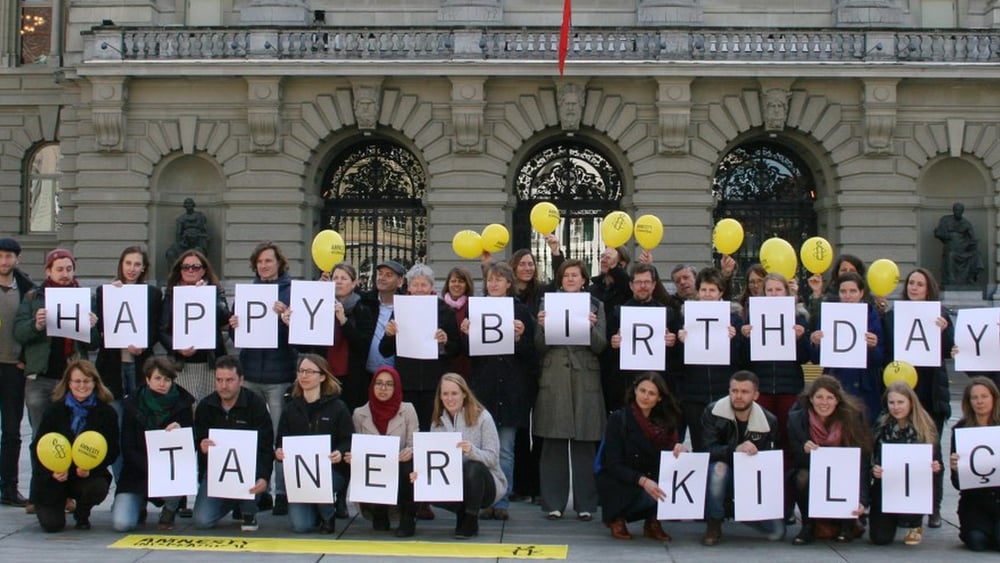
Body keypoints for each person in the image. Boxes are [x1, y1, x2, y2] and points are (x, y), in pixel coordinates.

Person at [462, 261, 535, 520]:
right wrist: (466, 335)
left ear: (508, 283)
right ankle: (483, 498)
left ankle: (501, 502)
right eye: (490, 280)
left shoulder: (521, 310)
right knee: (480, 447)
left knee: (505, 449)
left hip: (511, 391)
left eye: (498, 279)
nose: (493, 284)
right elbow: (466, 353)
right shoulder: (476, 308)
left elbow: (531, 353)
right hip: (483, 389)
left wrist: (520, 337)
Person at [534, 259, 606, 521]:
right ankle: (553, 502)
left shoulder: (596, 305)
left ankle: (586, 503)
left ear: (584, 279)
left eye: (575, 275)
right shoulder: (546, 303)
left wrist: (590, 326)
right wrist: (540, 326)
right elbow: (539, 346)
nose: (571, 279)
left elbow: (601, 346)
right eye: (566, 275)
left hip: (585, 376)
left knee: (585, 443)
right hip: (554, 376)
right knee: (553, 442)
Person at [881, 267, 953, 527]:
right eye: (911, 283)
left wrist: (944, 331)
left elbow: (949, 351)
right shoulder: (893, 316)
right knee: (900, 450)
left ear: (928, 288)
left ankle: (933, 508)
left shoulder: (940, 315)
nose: (914, 287)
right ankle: (902, 505)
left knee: (932, 453)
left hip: (930, 392)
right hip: (901, 391)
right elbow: (885, 349)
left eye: (920, 284)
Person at [235, 241, 296, 515]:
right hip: (250, 373)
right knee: (252, 437)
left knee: (280, 438)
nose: (264, 265)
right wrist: (233, 325)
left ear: (279, 263)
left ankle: (282, 492)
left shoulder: (291, 292)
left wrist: (286, 319)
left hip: (280, 373)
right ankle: (258, 492)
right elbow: (238, 333)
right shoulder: (247, 292)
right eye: (259, 261)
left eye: (268, 261)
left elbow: (301, 335)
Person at [411, 373, 506, 539]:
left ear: (464, 393)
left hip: (486, 483)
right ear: (439, 397)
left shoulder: (483, 417)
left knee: (473, 467)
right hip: (453, 482)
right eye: (445, 394)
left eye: (454, 393)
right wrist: (421, 473)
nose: (449, 398)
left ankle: (471, 518)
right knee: (418, 480)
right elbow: (434, 460)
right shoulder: (437, 422)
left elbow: (493, 458)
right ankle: (462, 513)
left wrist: (472, 451)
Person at [29, 360, 119, 532]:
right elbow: (37, 447)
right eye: (77, 381)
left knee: (97, 486)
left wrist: (91, 469)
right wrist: (52, 472)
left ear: (95, 383)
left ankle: (82, 513)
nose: (82, 386)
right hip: (53, 477)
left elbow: (113, 450)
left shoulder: (107, 412)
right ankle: (56, 502)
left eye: (87, 381)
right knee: (52, 526)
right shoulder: (54, 410)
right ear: (68, 383)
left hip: (83, 476)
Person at [15, 249, 97, 436]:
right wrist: (35, 324)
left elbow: (94, 345)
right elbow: (19, 333)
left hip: (73, 379)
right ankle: (40, 467)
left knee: (74, 432)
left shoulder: (85, 298)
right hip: (41, 378)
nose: (65, 274)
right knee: (41, 434)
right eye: (59, 269)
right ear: (48, 271)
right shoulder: (33, 298)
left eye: (69, 269)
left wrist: (91, 326)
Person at [702, 370, 785, 545]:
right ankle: (714, 523)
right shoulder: (713, 411)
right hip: (721, 472)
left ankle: (739, 510)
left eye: (745, 392)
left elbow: (771, 464)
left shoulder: (769, 421)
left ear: (756, 395)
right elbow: (707, 450)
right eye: (734, 391)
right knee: (718, 470)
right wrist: (735, 449)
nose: (738, 396)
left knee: (778, 533)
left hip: (750, 480)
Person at [111, 356, 195, 531]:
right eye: (157, 378)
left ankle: (170, 509)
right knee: (122, 524)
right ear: (148, 380)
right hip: (136, 472)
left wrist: (182, 431)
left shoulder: (183, 404)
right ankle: (139, 504)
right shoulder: (132, 404)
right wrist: (151, 468)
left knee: (180, 475)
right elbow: (127, 446)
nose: (162, 383)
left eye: (167, 379)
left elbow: (191, 445)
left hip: (169, 473)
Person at [596, 372, 683, 541]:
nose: (645, 396)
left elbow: (668, 458)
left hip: (651, 476)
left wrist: (679, 450)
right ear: (635, 390)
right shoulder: (618, 419)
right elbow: (612, 464)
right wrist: (642, 480)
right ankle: (616, 518)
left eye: (651, 393)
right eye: (642, 390)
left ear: (659, 398)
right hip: (623, 480)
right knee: (642, 490)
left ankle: (653, 520)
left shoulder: (667, 421)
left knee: (669, 482)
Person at [192, 355, 274, 532]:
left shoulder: (256, 405)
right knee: (201, 521)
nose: (223, 385)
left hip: (249, 473)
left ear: (241, 380)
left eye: (229, 380)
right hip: (217, 475)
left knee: (252, 494)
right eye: (219, 380)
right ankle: (233, 501)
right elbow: (198, 439)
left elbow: (266, 446)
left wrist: (264, 477)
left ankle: (249, 505)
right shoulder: (206, 406)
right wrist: (202, 446)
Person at [788, 375, 873, 545]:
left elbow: (862, 462)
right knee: (801, 477)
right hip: (813, 472)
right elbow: (794, 460)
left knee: (846, 474)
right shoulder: (796, 419)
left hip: (844, 475)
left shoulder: (852, 418)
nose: (824, 402)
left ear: (837, 400)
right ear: (811, 399)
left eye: (829, 397)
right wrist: (804, 451)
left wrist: (862, 500)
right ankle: (808, 525)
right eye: (819, 397)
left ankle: (847, 523)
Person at [274, 354, 352, 534]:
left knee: (322, 482)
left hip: (332, 473)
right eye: (301, 371)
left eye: (309, 372)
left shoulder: (338, 407)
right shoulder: (290, 408)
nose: (304, 376)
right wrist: (279, 451)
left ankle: (328, 515)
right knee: (301, 526)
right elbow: (281, 439)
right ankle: (317, 509)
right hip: (300, 475)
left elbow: (348, 439)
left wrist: (340, 452)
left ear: (323, 376)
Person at [379, 263, 461, 430]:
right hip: (407, 382)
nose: (419, 289)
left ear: (431, 286)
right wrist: (389, 335)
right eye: (415, 284)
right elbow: (385, 350)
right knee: (409, 429)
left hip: (435, 383)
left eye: (423, 284)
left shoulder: (444, 310)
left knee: (432, 427)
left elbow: (458, 350)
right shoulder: (401, 309)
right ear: (409, 287)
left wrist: (445, 342)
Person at [676, 267, 743, 451]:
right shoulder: (685, 317)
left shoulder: (734, 318)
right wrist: (681, 341)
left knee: (725, 444)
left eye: (712, 290)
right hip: (694, 393)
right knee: (700, 445)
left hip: (723, 390)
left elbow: (740, 359)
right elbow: (679, 361)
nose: (708, 294)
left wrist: (734, 339)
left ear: (721, 292)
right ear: (698, 291)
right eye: (704, 290)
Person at [348, 366, 419, 536]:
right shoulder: (359, 414)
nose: (383, 388)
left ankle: (407, 517)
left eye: (389, 384)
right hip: (375, 471)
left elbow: (414, 442)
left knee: (409, 465)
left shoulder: (408, 410)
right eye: (378, 383)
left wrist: (410, 451)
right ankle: (378, 511)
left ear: (396, 388)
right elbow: (357, 446)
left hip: (401, 469)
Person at [868, 381, 942, 546]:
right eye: (891, 402)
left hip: (915, 486)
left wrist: (935, 468)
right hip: (886, 486)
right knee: (880, 538)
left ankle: (915, 523)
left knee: (908, 523)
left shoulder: (926, 427)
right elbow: (870, 458)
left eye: (900, 402)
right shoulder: (881, 425)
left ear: (911, 402)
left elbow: (939, 465)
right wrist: (875, 470)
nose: (896, 407)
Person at [809, 271, 884, 419]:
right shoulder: (829, 315)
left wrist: (873, 347)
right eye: (843, 291)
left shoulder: (872, 316)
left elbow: (880, 359)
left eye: (852, 291)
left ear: (861, 293)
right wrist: (815, 343)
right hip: (837, 384)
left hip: (865, 387)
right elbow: (817, 359)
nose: (848, 296)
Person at [160, 249, 232, 404]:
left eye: (195, 267)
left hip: (210, 362)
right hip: (182, 365)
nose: (190, 270)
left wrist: (207, 295)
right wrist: (178, 348)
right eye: (186, 267)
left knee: (210, 408)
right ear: (180, 271)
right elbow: (163, 330)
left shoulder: (215, 292)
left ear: (204, 270)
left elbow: (225, 318)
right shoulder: (171, 295)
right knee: (186, 408)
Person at [608, 263, 681, 413]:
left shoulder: (667, 313)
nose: (643, 286)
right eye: (638, 282)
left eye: (647, 282)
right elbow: (605, 351)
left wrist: (673, 342)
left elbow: (678, 355)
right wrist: (613, 344)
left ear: (654, 285)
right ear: (631, 285)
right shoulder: (618, 313)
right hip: (627, 383)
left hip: (658, 383)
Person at [94, 245, 163, 401]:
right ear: (121, 264)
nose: (132, 268)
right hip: (111, 363)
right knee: (113, 408)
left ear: (143, 268)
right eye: (128, 263)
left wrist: (144, 345)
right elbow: (100, 327)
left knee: (139, 408)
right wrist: (112, 296)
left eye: (137, 264)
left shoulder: (153, 294)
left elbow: (156, 327)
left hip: (141, 363)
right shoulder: (104, 292)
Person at [0, 237, 34, 507]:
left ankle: (9, 486)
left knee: (12, 430)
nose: (4, 261)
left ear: (17, 259)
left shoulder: (27, 290)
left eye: (9, 256)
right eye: (0, 256)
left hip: (13, 367)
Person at [949, 377, 1000, 551]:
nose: (979, 401)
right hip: (975, 501)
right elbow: (956, 484)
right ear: (968, 402)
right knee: (977, 542)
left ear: (994, 398)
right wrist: (956, 470)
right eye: (974, 397)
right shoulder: (960, 430)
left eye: (984, 396)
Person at [318, 262, 375, 412]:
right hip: (325, 375)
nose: (338, 281)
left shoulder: (363, 310)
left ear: (354, 283)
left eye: (344, 278)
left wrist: (344, 321)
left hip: (352, 377)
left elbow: (363, 345)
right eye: (335, 277)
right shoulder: (320, 306)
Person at [362, 260, 406, 376]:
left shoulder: (406, 306)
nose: (382, 278)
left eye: (389, 275)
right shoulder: (365, 302)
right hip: (366, 373)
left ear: (400, 282)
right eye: (380, 273)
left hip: (396, 374)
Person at [934, 202, 983, 285]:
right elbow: (938, 233)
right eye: (956, 210)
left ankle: (970, 278)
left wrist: (972, 244)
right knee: (950, 255)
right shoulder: (945, 220)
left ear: (962, 211)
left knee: (976, 254)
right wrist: (946, 236)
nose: (958, 212)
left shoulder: (966, 224)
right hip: (950, 248)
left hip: (963, 249)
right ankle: (950, 279)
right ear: (953, 210)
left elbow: (972, 239)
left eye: (959, 210)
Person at [442, 266, 474, 377]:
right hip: (445, 363)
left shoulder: (473, 307)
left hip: (468, 364)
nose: (456, 284)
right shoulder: (440, 307)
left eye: (461, 281)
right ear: (448, 284)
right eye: (453, 281)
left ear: (467, 285)